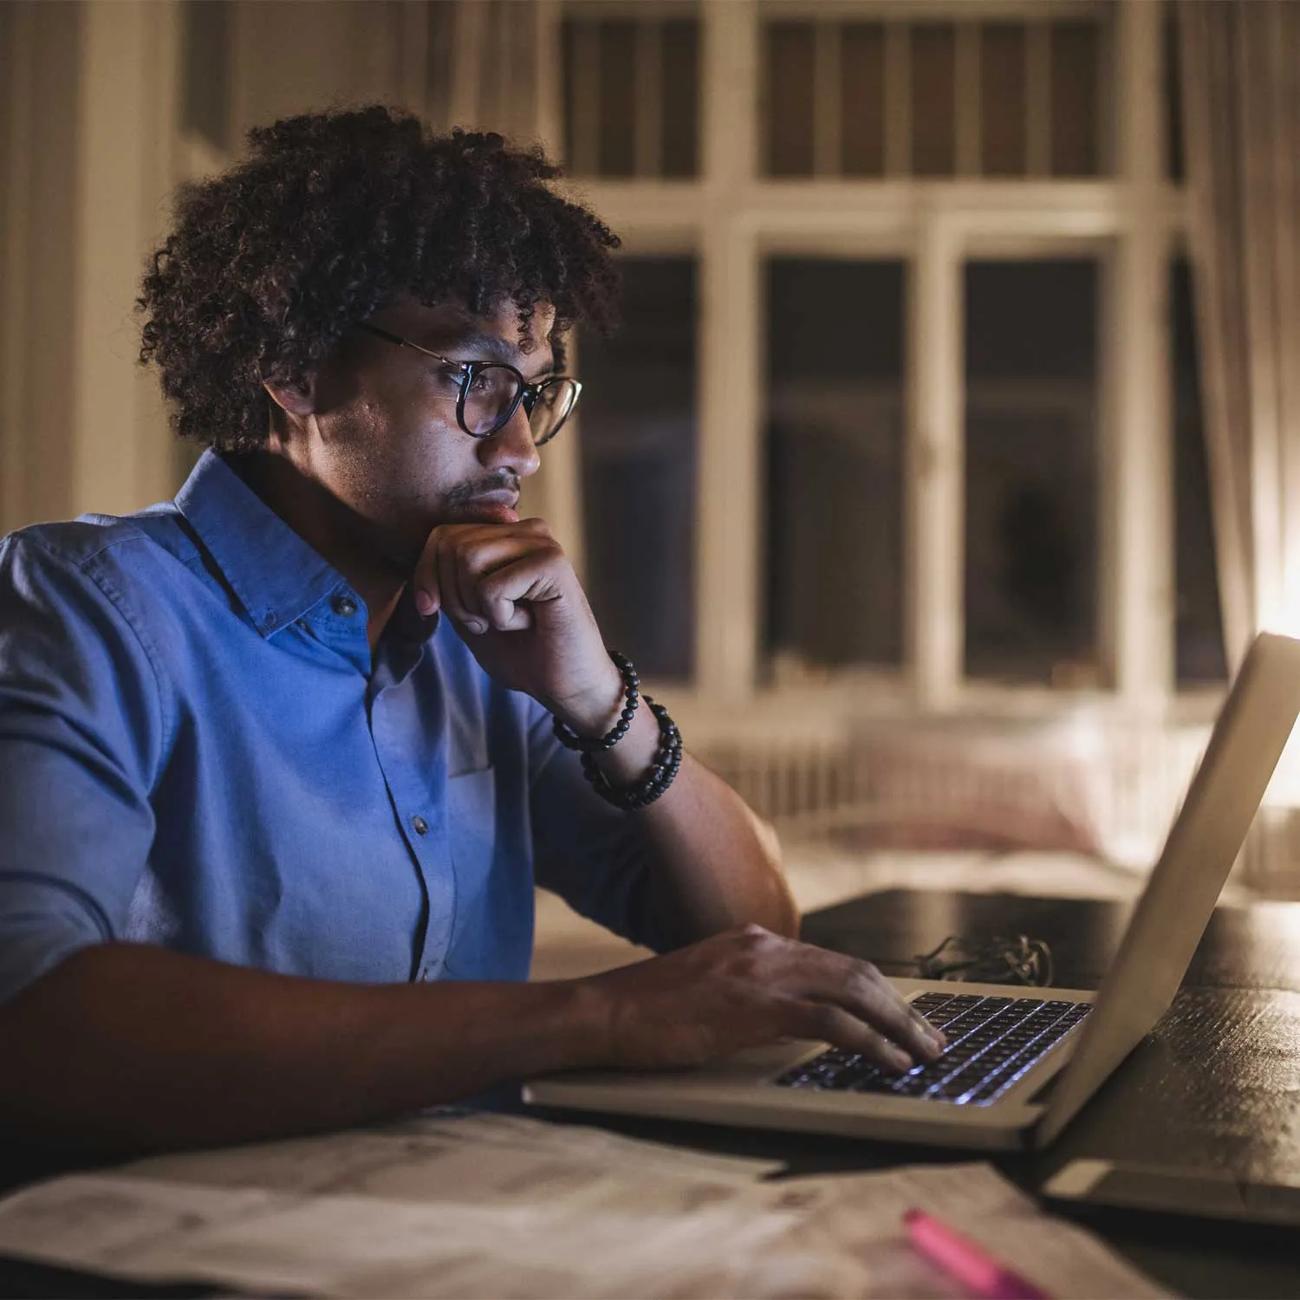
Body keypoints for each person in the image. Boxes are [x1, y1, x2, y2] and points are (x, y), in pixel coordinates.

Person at [0, 106, 942, 1155]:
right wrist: (598, 1015)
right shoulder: (90, 606)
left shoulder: (472, 641)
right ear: (298, 369)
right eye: (473, 378)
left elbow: (749, 927)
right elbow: (30, 1014)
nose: (523, 446)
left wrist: (601, 701)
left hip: (463, 1211)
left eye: (535, 390)